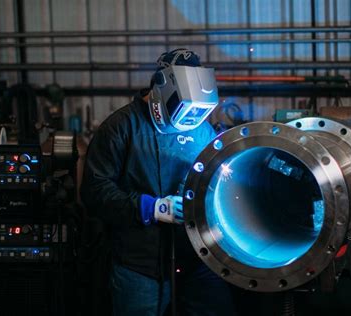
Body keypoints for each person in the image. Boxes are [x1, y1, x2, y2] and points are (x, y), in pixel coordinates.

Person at [81, 48, 236, 316]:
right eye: (183, 111)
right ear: (160, 89)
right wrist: (150, 208)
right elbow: (94, 191)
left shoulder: (201, 127)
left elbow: (218, 175)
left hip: (197, 260)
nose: (189, 121)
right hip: (139, 266)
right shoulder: (121, 127)